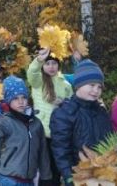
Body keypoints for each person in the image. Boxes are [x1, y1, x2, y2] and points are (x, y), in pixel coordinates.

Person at [49, 59, 113, 185]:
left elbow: (109, 141)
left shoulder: (101, 112)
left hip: (103, 175)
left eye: (99, 87)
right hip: (79, 176)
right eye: (91, 85)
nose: (96, 90)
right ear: (78, 85)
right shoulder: (65, 113)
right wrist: (69, 177)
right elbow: (61, 150)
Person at [0, 76, 52, 186]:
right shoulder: (6, 121)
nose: (20, 101)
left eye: (23, 97)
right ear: (9, 100)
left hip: (29, 180)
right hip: (9, 179)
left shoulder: (36, 123)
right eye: (15, 98)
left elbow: (43, 152)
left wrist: (46, 177)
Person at [26, 48, 73, 186]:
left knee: (56, 168)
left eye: (54, 63)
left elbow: (71, 105)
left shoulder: (65, 84)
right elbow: (31, 73)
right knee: (44, 169)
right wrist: (39, 60)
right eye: (48, 64)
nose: (51, 67)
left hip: (59, 132)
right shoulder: (38, 81)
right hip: (41, 132)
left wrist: (63, 102)